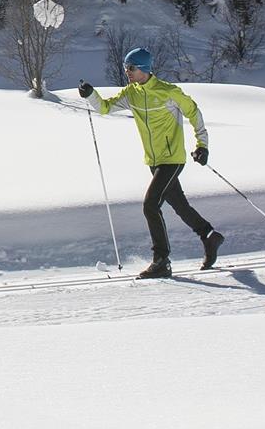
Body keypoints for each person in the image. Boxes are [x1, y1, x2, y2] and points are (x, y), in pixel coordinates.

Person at [79, 47, 224, 278]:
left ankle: (161, 260)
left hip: (172, 159)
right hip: (154, 161)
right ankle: (209, 236)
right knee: (179, 205)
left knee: (150, 205)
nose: (127, 71)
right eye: (126, 67)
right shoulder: (131, 93)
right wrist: (90, 95)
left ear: (144, 68)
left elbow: (194, 112)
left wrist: (202, 145)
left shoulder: (168, 92)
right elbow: (105, 108)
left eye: (131, 68)